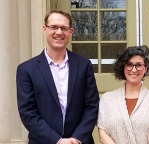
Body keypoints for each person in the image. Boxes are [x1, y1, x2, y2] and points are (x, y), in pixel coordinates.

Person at [16, 10, 99, 144]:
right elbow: (27, 112)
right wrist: (58, 141)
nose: (59, 32)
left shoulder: (84, 65)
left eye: (64, 28)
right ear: (45, 29)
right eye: (54, 27)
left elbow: (92, 106)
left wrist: (77, 139)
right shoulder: (26, 70)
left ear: (70, 32)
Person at [97, 45, 149, 144]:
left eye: (138, 65)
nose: (134, 70)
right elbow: (102, 134)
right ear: (123, 67)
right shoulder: (107, 99)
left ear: (145, 69)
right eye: (129, 65)